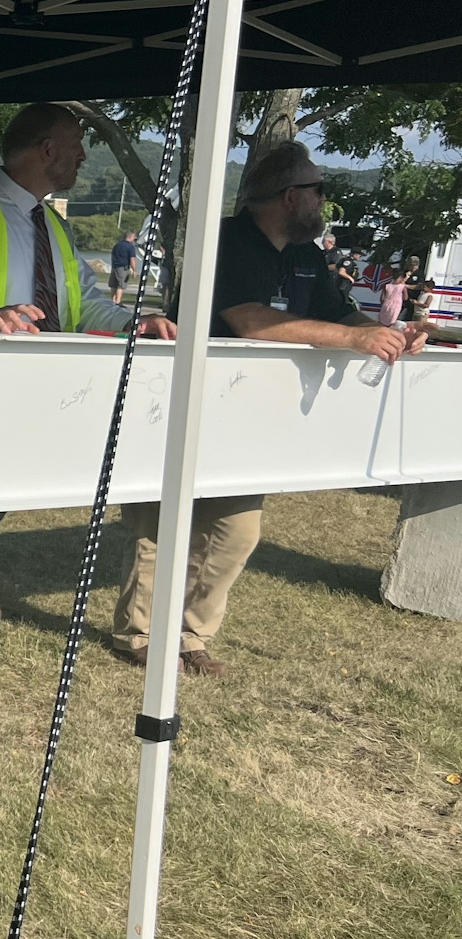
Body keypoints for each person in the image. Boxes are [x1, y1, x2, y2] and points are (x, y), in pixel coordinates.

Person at [112, 140, 428, 673]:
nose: (323, 200)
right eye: (318, 190)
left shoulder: (307, 253)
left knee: (236, 530)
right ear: (290, 196)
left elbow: (341, 314)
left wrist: (387, 332)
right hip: (186, 399)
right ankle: (139, 635)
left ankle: (190, 635)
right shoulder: (227, 242)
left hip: (253, 419)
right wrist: (352, 341)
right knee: (160, 523)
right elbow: (251, 321)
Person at [0, 104, 176, 706]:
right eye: (76, 145)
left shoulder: (55, 228)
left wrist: (138, 322)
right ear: (46, 150)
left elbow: (84, 308)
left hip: (27, 399)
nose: (83, 156)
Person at [109, 226, 140, 304]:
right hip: (123, 268)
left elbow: (112, 256)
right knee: (120, 285)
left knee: (113, 284)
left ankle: (112, 300)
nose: (134, 239)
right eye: (133, 237)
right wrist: (135, 270)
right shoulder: (130, 247)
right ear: (130, 237)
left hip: (115, 267)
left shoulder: (117, 245)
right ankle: (118, 301)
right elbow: (132, 259)